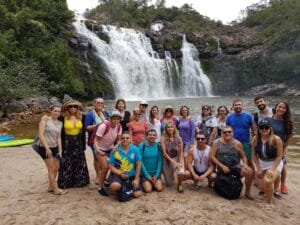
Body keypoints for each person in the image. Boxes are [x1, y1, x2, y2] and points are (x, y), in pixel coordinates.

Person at [210, 126, 254, 199]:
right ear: (221, 133)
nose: (227, 133)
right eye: (225, 132)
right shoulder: (217, 143)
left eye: (229, 132)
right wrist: (221, 166)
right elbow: (212, 156)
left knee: (250, 171)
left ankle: (247, 192)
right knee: (213, 176)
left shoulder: (237, 143)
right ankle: (216, 185)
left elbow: (243, 156)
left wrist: (245, 165)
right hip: (222, 168)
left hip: (235, 167)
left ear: (233, 133)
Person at [58, 100, 89, 189]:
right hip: (68, 142)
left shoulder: (82, 116)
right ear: (67, 108)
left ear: (78, 108)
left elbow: (92, 120)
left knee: (79, 161)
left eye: (75, 106)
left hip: (78, 142)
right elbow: (52, 118)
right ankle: (67, 182)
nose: (73, 108)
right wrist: (45, 118)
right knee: (67, 161)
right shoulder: (62, 117)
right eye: (70, 107)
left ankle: (79, 181)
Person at [37, 105, 67, 195]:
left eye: (58, 111)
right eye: (55, 111)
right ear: (51, 111)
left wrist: (60, 150)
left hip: (55, 147)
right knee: (51, 168)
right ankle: (55, 189)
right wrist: (47, 148)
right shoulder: (45, 120)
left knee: (56, 168)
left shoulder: (60, 123)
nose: (57, 113)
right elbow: (41, 135)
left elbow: (58, 138)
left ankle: (51, 187)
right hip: (44, 147)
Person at [251, 119, 283, 203]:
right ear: (258, 129)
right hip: (262, 162)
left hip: (274, 162)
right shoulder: (255, 139)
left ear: (270, 129)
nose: (264, 129)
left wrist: (272, 169)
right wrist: (258, 168)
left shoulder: (276, 139)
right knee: (261, 187)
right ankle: (272, 188)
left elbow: (280, 156)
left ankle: (269, 202)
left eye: (266, 127)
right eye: (262, 127)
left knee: (267, 181)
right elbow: (254, 155)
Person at [94, 111, 122, 196]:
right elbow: (96, 140)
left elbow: (119, 140)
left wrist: (116, 147)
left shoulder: (119, 126)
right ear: (110, 119)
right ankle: (100, 188)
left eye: (118, 119)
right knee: (105, 167)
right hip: (100, 149)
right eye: (114, 119)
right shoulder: (103, 126)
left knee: (116, 164)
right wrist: (98, 150)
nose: (116, 121)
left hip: (110, 149)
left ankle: (108, 180)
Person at [107, 131, 143, 198]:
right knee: (115, 186)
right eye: (123, 138)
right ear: (120, 140)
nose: (125, 139)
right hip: (118, 174)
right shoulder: (115, 150)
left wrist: (137, 179)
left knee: (137, 194)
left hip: (131, 175)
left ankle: (125, 190)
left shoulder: (135, 149)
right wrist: (120, 173)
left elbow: (138, 164)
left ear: (130, 139)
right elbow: (110, 166)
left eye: (127, 138)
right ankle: (122, 189)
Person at [84, 97, 109, 184]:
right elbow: (87, 128)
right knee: (97, 158)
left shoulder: (105, 113)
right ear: (94, 104)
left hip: (105, 140)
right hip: (94, 139)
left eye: (102, 103)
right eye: (98, 103)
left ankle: (103, 175)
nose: (100, 105)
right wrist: (99, 125)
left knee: (104, 158)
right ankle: (98, 176)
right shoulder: (90, 115)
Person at [271, 101, 293, 194]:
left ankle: (283, 185)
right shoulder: (270, 119)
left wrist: (284, 150)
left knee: (282, 166)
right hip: (270, 147)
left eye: (284, 108)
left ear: (286, 110)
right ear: (276, 107)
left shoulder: (287, 122)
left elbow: (288, 138)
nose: (281, 109)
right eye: (279, 107)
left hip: (282, 147)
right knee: (272, 165)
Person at [226, 99, 255, 170]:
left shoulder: (249, 116)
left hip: (246, 143)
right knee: (235, 162)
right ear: (233, 106)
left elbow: (254, 130)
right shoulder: (229, 117)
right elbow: (227, 131)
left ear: (242, 106)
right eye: (236, 105)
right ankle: (236, 179)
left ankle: (253, 178)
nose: (237, 106)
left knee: (249, 161)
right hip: (233, 143)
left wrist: (253, 141)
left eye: (239, 105)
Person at [160, 121, 185, 193]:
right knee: (169, 184)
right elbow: (164, 153)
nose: (170, 128)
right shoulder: (163, 138)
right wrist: (173, 162)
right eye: (168, 127)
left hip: (177, 157)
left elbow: (181, 151)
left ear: (174, 128)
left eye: (171, 127)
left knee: (181, 172)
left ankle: (180, 184)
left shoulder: (179, 138)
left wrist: (180, 162)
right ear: (166, 129)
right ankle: (171, 176)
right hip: (167, 159)